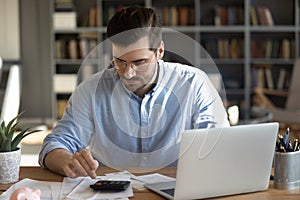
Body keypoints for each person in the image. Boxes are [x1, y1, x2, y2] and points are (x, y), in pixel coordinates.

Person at [39, 5, 229, 179]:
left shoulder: (194, 83)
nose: (128, 73)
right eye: (119, 61)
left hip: (177, 189)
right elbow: (55, 145)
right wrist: (66, 161)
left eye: (139, 62)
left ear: (160, 51)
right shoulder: (90, 90)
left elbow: (218, 145)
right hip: (110, 193)